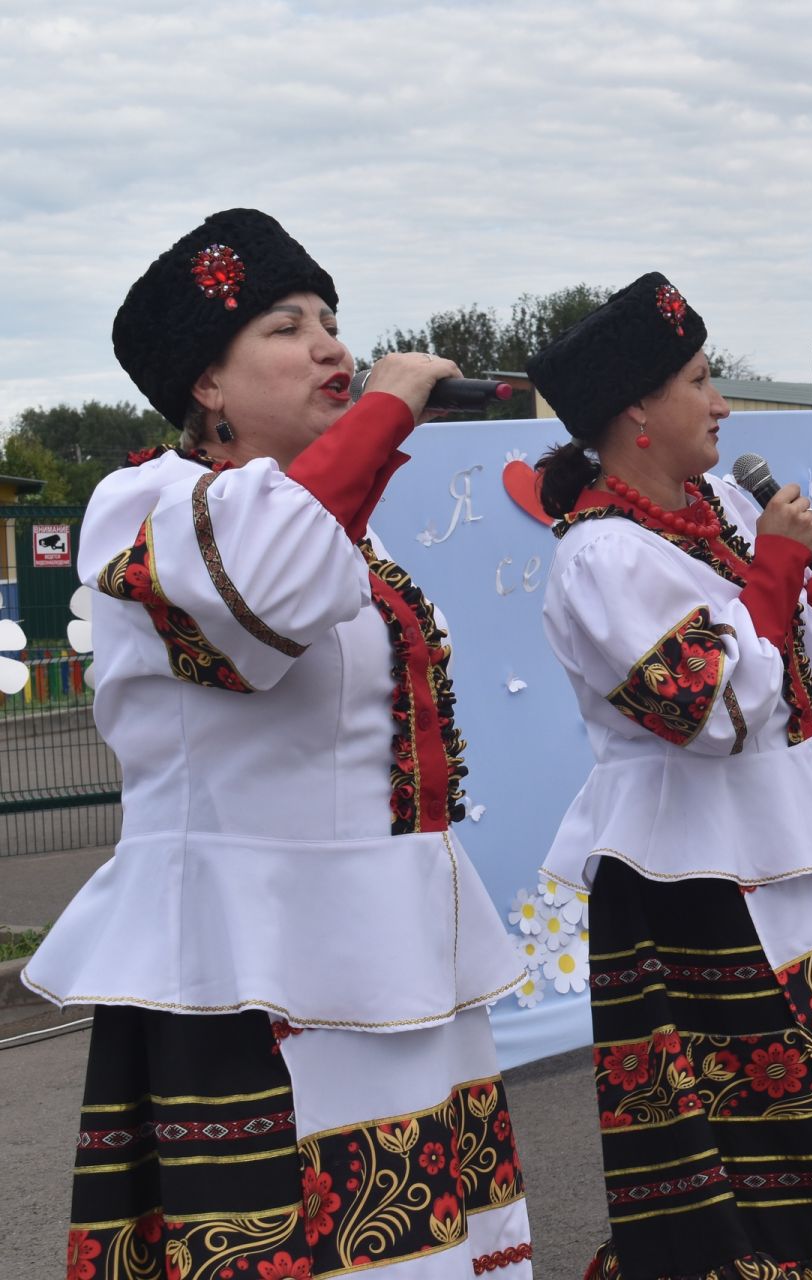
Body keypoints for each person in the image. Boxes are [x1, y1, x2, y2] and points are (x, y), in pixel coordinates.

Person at [23, 209, 532, 1278]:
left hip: (387, 945)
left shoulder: (330, 520)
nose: (334, 347)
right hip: (248, 965)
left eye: (335, 322)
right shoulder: (146, 504)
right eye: (287, 327)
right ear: (207, 383)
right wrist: (390, 405)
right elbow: (267, 598)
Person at [526, 274, 812, 1280]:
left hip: (783, 840)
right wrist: (774, 569)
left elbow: (785, 660)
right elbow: (709, 707)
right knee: (765, 1127)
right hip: (698, 876)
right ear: (636, 411)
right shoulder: (601, 556)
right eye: (699, 380)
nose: (723, 401)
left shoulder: (714, 507)